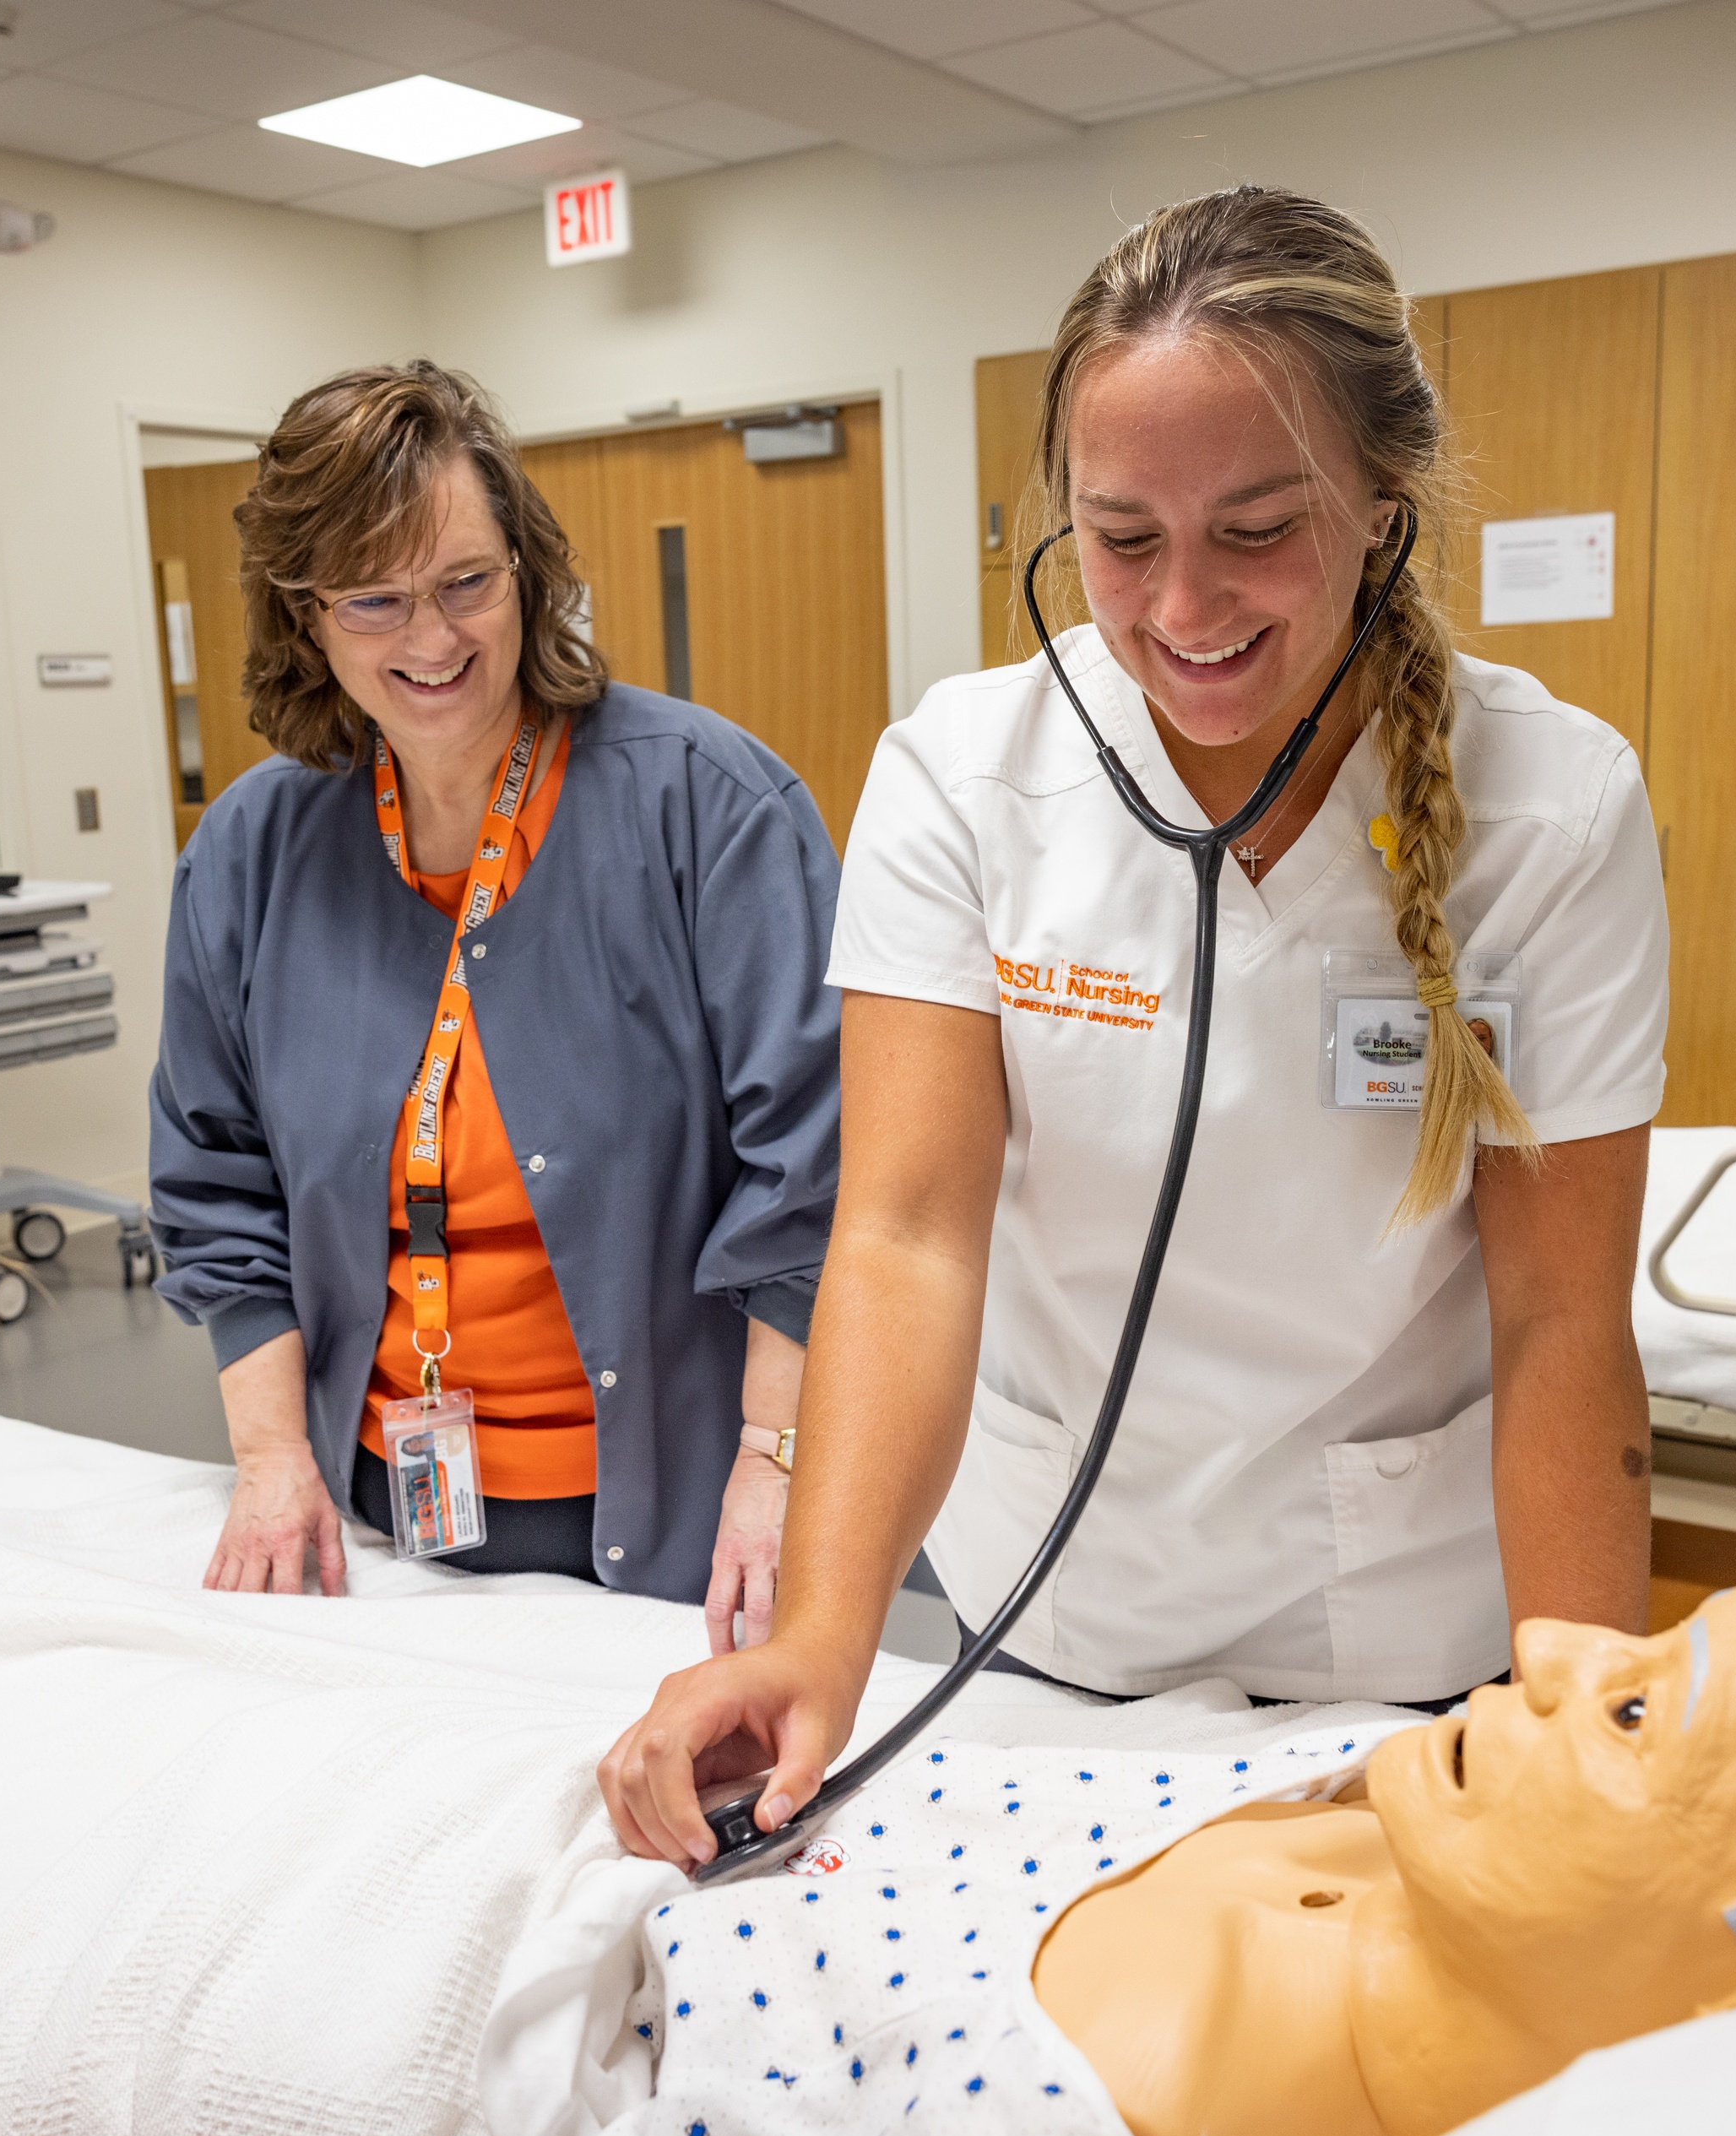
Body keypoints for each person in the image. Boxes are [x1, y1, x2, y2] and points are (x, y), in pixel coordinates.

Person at [600, 185, 1673, 1865]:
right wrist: (814, 1631)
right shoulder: (961, 778)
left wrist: (1583, 1707)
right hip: (1055, 1613)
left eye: (1259, 527)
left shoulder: (1548, 811)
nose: (1182, 607)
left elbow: (1556, 1317)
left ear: (1383, 503)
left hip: (1397, 1630)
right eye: (1120, 535)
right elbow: (903, 1235)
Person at [585, 1552, 1736, 2136]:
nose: (1545, 1635)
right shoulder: (1360, 1792)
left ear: (1735, 2028)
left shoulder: (1062, 2115)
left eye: (1629, 1715)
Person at [150, 362, 842, 1645]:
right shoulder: (252, 850)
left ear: (526, 569)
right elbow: (213, 1179)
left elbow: (815, 1172)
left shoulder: (707, 807)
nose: (432, 640)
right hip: (371, 1516)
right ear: (306, 618)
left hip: (677, 1515)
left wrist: (777, 1466)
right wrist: (270, 1460)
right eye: (375, 600)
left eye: (468, 582)